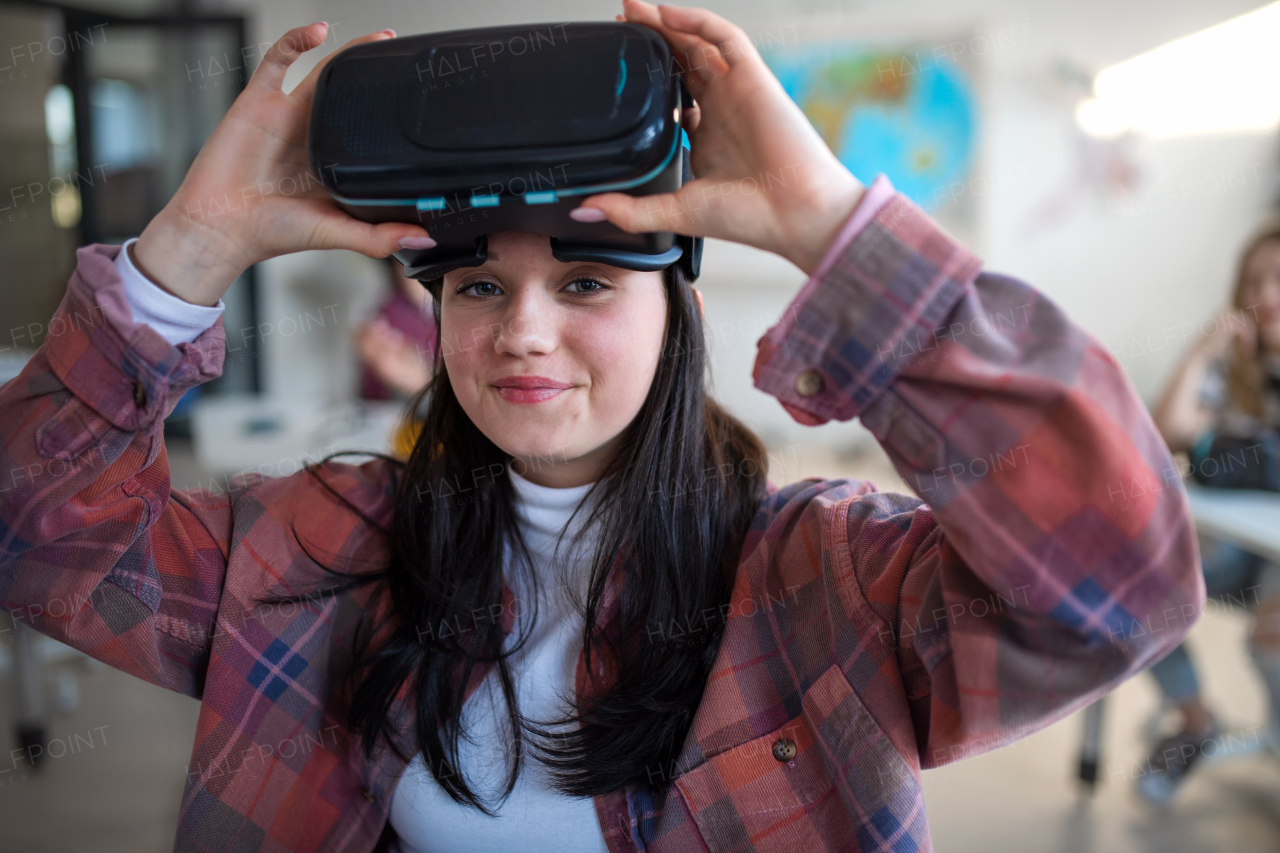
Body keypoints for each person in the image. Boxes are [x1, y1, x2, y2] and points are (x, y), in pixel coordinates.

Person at [0, 3, 1203, 852]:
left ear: (671, 316)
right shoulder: (313, 547)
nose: (520, 332)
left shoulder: (821, 577)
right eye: (477, 288)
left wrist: (830, 226)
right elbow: (38, 537)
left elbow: (1120, 586)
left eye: (583, 284)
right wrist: (191, 252)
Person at [1140, 221, 1280, 805]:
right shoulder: (1235, 370)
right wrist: (1205, 349)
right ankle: (1197, 721)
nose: (1267, 295)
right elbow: (1167, 431)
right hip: (1237, 547)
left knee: (1274, 635)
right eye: (1254, 282)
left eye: (1279, 281)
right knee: (1138, 594)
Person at [355, 258, 437, 458]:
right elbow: (373, 402)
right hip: (395, 426)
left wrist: (424, 381)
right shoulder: (385, 318)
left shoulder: (461, 310)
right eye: (406, 264)